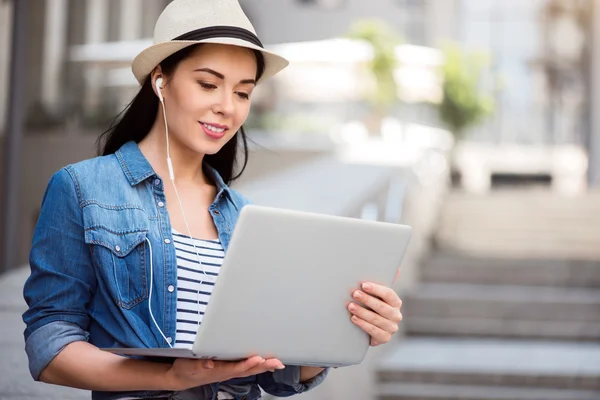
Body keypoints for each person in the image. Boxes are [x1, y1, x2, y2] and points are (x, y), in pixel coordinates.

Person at [22, 1, 404, 399]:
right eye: (208, 84)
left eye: (243, 92)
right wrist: (169, 378)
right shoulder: (83, 188)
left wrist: (346, 328)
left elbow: (276, 375)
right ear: (160, 80)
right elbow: (50, 346)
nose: (227, 106)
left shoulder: (244, 218)